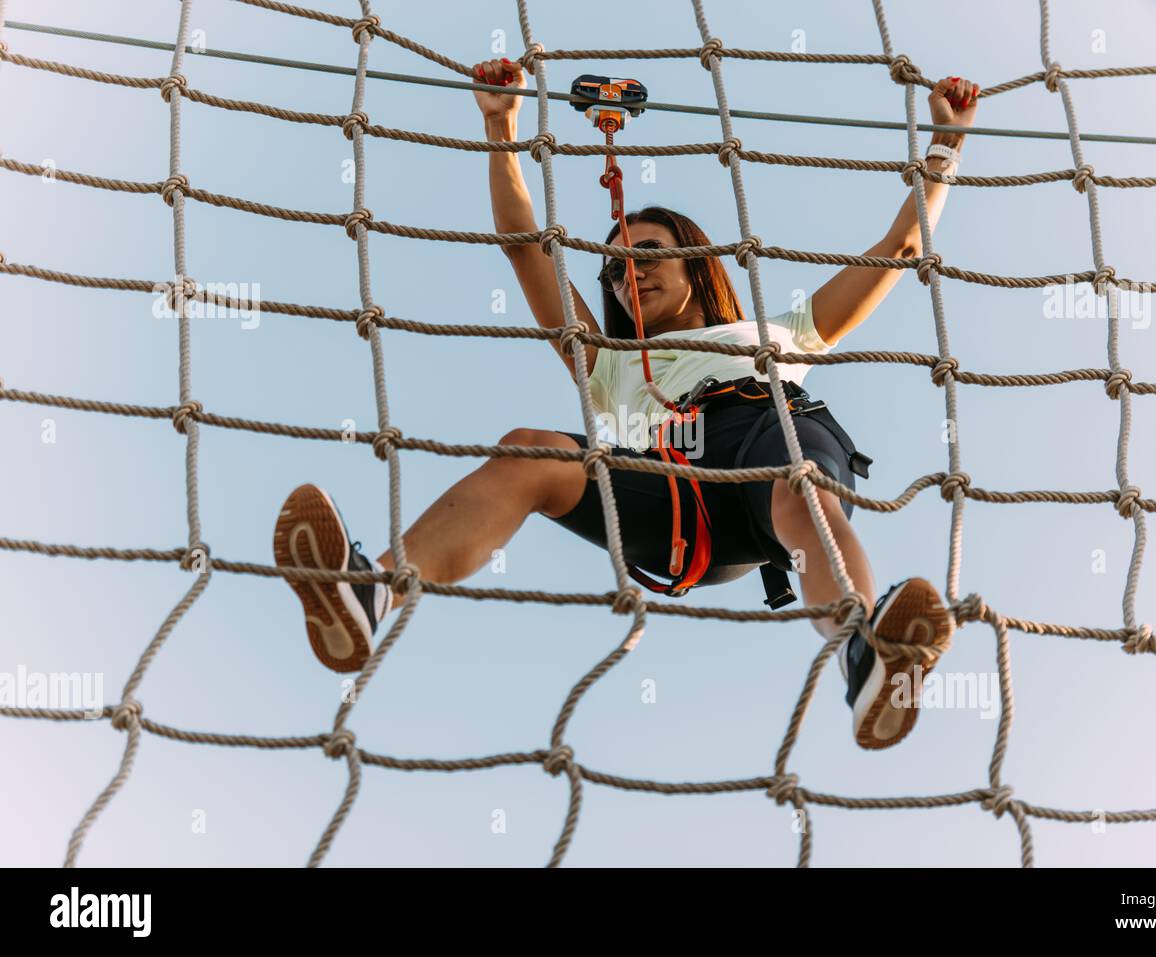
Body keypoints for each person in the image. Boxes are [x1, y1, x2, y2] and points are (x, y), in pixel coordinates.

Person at [273, 56, 981, 750]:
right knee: (532, 448)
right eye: (613, 268)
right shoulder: (610, 366)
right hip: (678, 491)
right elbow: (526, 249)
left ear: (694, 261)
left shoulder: (777, 333)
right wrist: (502, 133)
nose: (627, 273)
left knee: (797, 483)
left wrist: (945, 147)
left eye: (648, 252)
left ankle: (864, 649)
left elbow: (902, 242)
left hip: (773, 431)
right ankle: (372, 596)